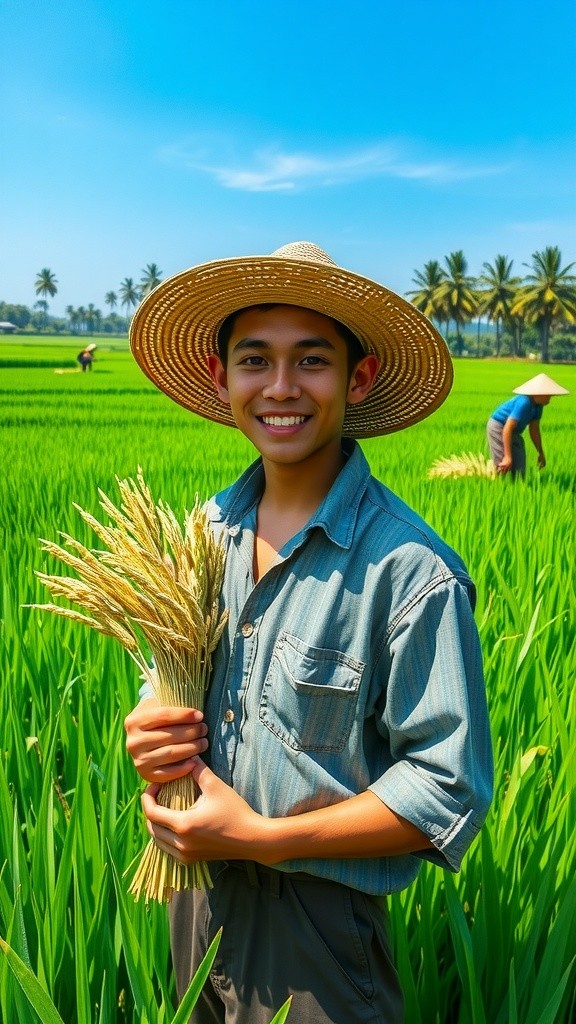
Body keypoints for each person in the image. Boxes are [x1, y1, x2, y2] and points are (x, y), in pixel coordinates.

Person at [126, 241, 493, 1024]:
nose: (281, 386)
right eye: (255, 359)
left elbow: (447, 788)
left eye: (313, 360)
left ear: (358, 379)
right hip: (193, 898)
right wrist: (152, 730)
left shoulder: (410, 572)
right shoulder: (202, 535)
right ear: (221, 376)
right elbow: (171, 688)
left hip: (317, 939)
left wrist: (262, 838)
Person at [486, 372, 569, 477]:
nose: (550, 398)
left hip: (514, 431)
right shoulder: (524, 403)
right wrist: (507, 456)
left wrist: (540, 453)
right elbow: (507, 428)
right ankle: (498, 482)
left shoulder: (539, 406)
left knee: (520, 469)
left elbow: (534, 430)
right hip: (498, 426)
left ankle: (516, 485)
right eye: (548, 395)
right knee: (503, 464)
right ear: (538, 393)